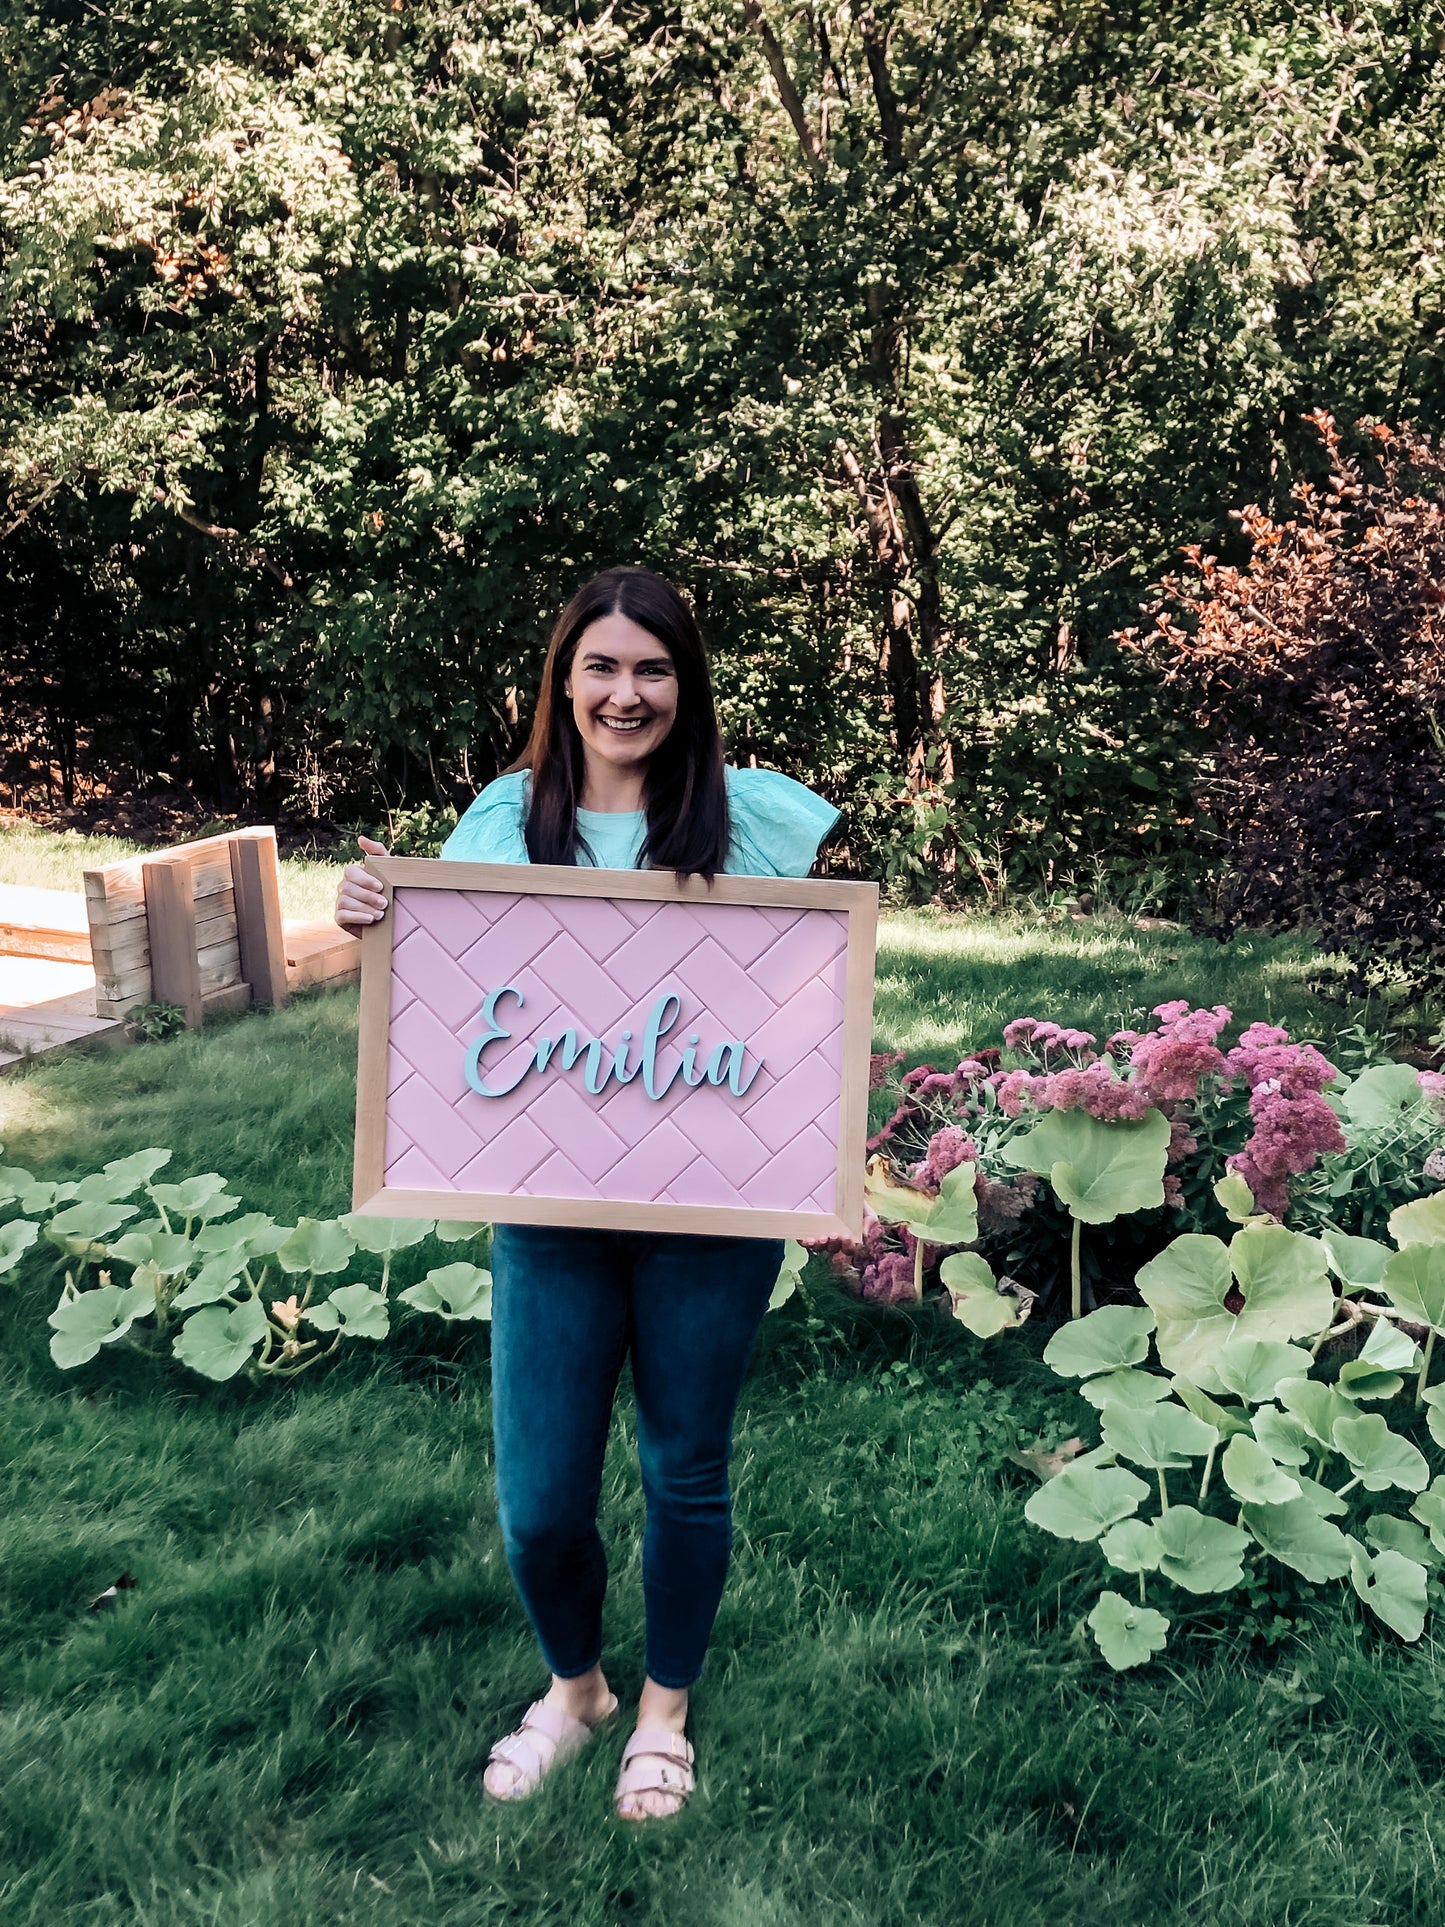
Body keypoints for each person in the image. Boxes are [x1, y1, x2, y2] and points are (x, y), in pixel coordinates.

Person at [335, 567, 838, 1821]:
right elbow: (450, 983)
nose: (627, 693)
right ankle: (578, 1689)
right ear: (563, 678)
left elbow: (802, 992)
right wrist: (374, 918)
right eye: (603, 667)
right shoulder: (504, 821)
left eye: (653, 669)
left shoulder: (759, 821)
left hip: (708, 1211)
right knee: (541, 1496)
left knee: (684, 1468)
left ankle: (662, 1711)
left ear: (687, 684)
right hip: (548, 1205)